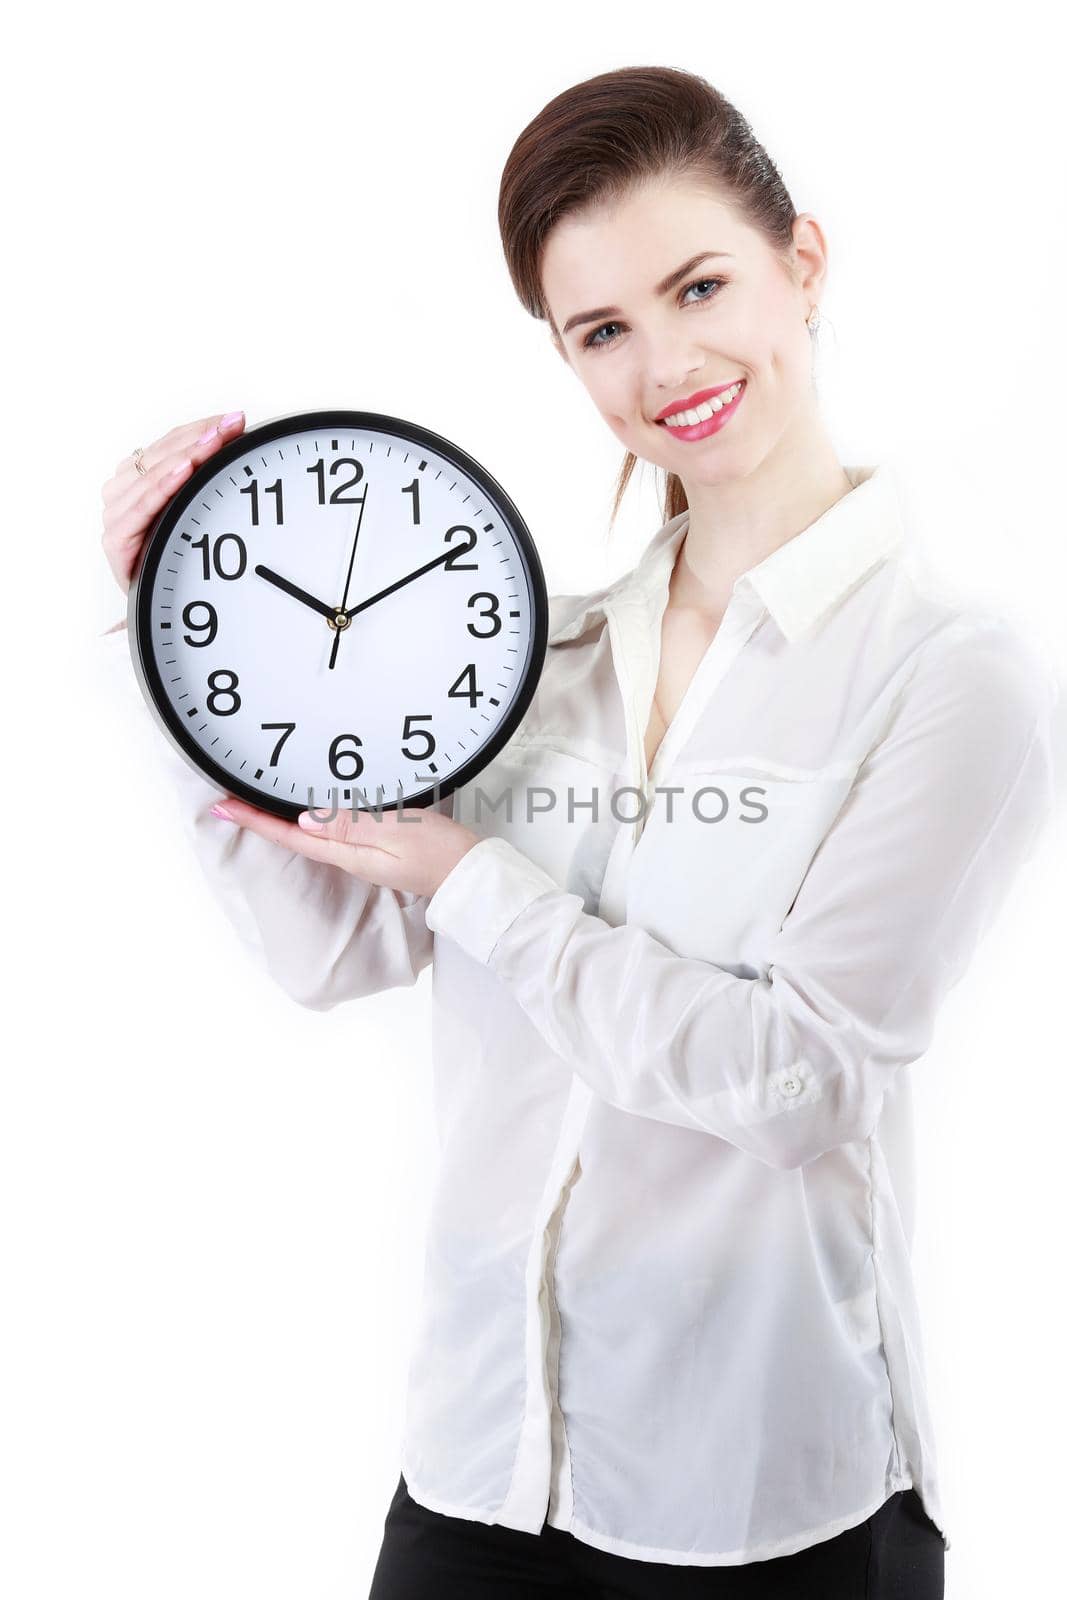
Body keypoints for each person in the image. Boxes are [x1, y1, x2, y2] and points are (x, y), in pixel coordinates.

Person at [99, 65, 1058, 1598]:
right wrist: (177, 623)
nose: (664, 359)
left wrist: (476, 881)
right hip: (478, 1461)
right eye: (604, 329)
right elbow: (327, 948)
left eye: (701, 285)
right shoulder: (532, 657)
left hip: (756, 1500)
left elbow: (800, 1080)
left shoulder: (950, 678)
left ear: (803, 265)